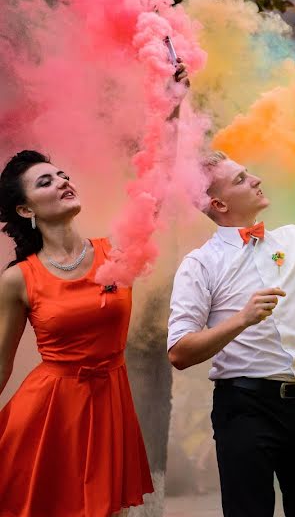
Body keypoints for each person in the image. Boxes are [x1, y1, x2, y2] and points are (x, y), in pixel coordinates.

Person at [0, 63, 189, 517]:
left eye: (62, 174)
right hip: (46, 416)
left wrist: (172, 110)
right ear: (26, 209)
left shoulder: (117, 251)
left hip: (108, 407)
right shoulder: (17, 279)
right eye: (46, 181)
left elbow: (157, 188)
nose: (62, 181)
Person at [167, 151, 295, 517]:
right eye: (242, 179)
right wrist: (241, 319)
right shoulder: (200, 264)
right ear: (219, 203)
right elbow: (179, 352)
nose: (257, 178)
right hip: (246, 409)